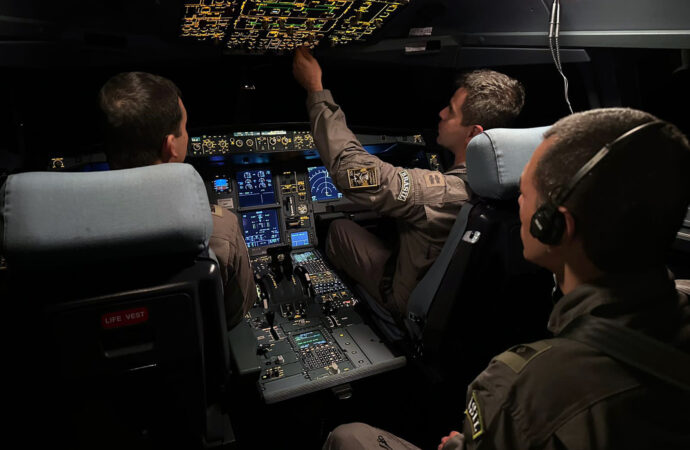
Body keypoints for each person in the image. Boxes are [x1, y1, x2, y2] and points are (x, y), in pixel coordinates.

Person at [323, 107, 690, 449]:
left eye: (525, 193)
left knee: (348, 437)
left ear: (556, 226)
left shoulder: (517, 386)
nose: (516, 203)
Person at [293, 47, 525, 317]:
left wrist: (315, 89)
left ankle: (362, 309)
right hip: (464, 305)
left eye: (451, 111)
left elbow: (350, 170)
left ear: (473, 132)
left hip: (410, 301)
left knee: (340, 229)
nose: (441, 113)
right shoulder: (514, 181)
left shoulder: (441, 192)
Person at [99, 72, 256, 328]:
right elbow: (235, 312)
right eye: (184, 128)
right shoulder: (216, 229)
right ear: (171, 145)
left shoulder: (60, 231)